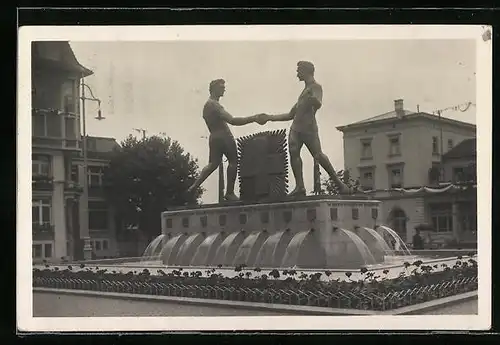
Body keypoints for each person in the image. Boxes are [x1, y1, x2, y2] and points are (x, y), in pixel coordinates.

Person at [255, 61, 351, 196]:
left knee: (318, 155)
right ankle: (300, 186)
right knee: (294, 152)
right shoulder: (303, 93)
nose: (297, 73)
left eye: (299, 70)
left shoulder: (315, 87)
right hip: (296, 128)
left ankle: (339, 183)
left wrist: (313, 100)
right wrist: (269, 117)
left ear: (306, 71)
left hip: (308, 128)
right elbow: (290, 115)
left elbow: (318, 103)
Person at [187, 79, 262, 201]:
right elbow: (232, 120)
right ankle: (229, 193)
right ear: (214, 88)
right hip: (224, 136)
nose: (224, 89)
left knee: (212, 164)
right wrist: (253, 118)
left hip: (213, 137)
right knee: (233, 161)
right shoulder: (214, 105)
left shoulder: (207, 105)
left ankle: (194, 186)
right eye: (221, 87)